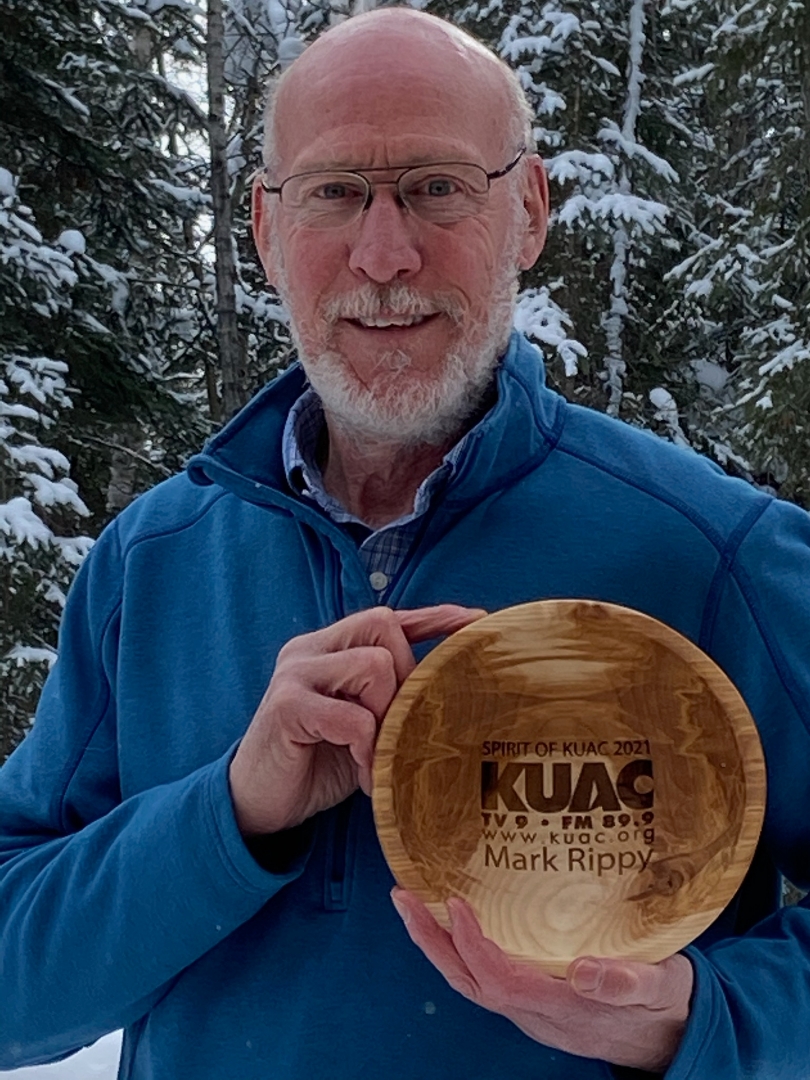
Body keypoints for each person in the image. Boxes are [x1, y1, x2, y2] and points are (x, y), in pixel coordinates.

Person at [1, 8, 809, 1079]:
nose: (384, 255)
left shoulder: (714, 550)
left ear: (526, 211)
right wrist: (232, 812)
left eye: (436, 186)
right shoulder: (151, 563)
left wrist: (706, 1018)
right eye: (335, 193)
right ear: (265, 226)